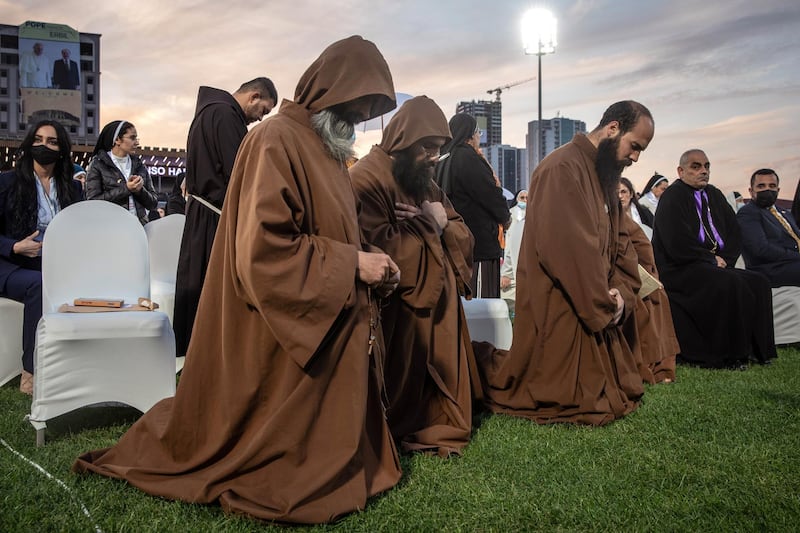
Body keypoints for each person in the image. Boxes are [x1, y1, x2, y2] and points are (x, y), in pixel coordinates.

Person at [73, 35, 403, 524]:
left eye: (366, 111)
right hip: (275, 328)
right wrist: (351, 265)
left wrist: (369, 257)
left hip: (326, 314)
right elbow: (265, 250)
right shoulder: (276, 139)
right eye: (354, 106)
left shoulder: (327, 150)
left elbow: (333, 231)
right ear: (327, 91)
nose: (356, 120)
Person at [476, 100, 653, 426]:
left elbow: (619, 243)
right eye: (635, 146)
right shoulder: (562, 168)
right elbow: (567, 251)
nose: (636, 157)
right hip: (564, 298)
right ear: (613, 128)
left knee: (616, 393)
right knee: (582, 401)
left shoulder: (604, 175)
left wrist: (620, 292)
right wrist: (602, 301)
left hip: (595, 294)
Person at [350, 95, 478, 457]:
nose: (434, 157)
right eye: (427, 148)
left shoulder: (425, 183)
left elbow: (461, 232)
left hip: (441, 305)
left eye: (439, 149)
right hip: (397, 311)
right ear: (402, 139)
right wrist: (430, 223)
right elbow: (375, 248)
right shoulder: (364, 179)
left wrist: (435, 220)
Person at [173, 77, 277, 357]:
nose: (259, 120)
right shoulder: (226, 115)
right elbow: (240, 173)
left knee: (199, 286)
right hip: (214, 216)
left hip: (203, 212)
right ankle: (208, 356)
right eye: (263, 111)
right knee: (212, 292)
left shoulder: (211, 111)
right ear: (254, 97)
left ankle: (194, 354)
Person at [652, 149, 776, 369]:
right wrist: (709, 260)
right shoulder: (672, 196)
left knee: (759, 282)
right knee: (731, 283)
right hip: (680, 268)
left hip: (715, 265)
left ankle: (758, 351)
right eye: (696, 166)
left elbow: (734, 232)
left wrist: (724, 259)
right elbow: (675, 241)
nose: (703, 171)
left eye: (707, 166)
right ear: (681, 171)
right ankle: (728, 356)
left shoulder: (715, 194)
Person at [0, 120, 82, 394]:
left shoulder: (72, 188)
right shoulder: (7, 182)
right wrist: (14, 247)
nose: (43, 146)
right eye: (38, 139)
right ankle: (30, 374)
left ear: (61, 150)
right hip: (11, 265)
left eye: (51, 141)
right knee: (39, 284)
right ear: (28, 144)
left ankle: (78, 365)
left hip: (54, 264)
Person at [436, 113, 509, 298]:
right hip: (478, 248)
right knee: (481, 305)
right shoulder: (468, 157)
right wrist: (505, 218)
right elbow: (490, 194)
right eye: (478, 133)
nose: (479, 138)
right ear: (470, 134)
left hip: (450, 245)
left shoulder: (441, 160)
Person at [620, 216, 679, 384]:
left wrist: (646, 273)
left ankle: (657, 361)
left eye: (625, 192)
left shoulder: (616, 213)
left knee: (655, 294)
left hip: (628, 272)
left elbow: (641, 244)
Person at [86, 120, 158, 225]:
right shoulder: (98, 164)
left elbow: (153, 203)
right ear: (117, 140)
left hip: (139, 228)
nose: (137, 142)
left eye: (136, 138)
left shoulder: (139, 165)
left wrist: (139, 190)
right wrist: (127, 189)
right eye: (132, 138)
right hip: (111, 229)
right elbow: (93, 202)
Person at [737, 168, 800, 287]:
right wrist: (797, 256)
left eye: (772, 186)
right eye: (761, 186)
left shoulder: (784, 212)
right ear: (751, 191)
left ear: (778, 189)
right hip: (770, 269)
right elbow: (761, 249)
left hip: (792, 264)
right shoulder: (748, 213)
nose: (767, 189)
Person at [500, 189, 527, 317]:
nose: (525, 201)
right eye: (522, 198)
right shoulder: (510, 216)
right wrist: (506, 273)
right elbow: (509, 249)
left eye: (527, 198)